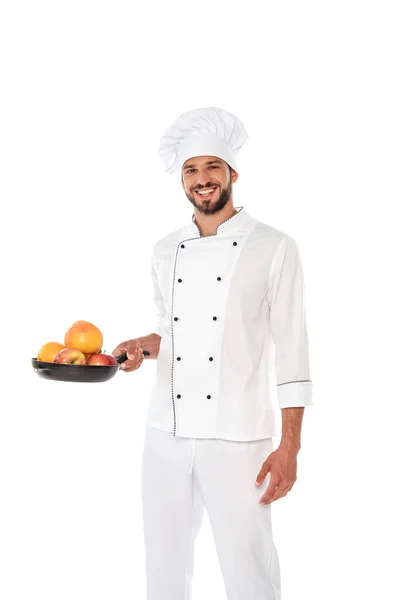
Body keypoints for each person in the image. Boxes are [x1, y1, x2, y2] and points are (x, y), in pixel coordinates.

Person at [112, 106, 313, 600]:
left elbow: (292, 351)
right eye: (191, 170)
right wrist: (142, 346)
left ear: (232, 175)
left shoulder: (275, 247)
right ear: (182, 181)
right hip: (165, 434)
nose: (202, 180)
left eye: (211, 168)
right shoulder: (164, 249)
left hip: (238, 436)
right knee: (163, 570)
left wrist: (291, 445)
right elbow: (174, 331)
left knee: (248, 572)